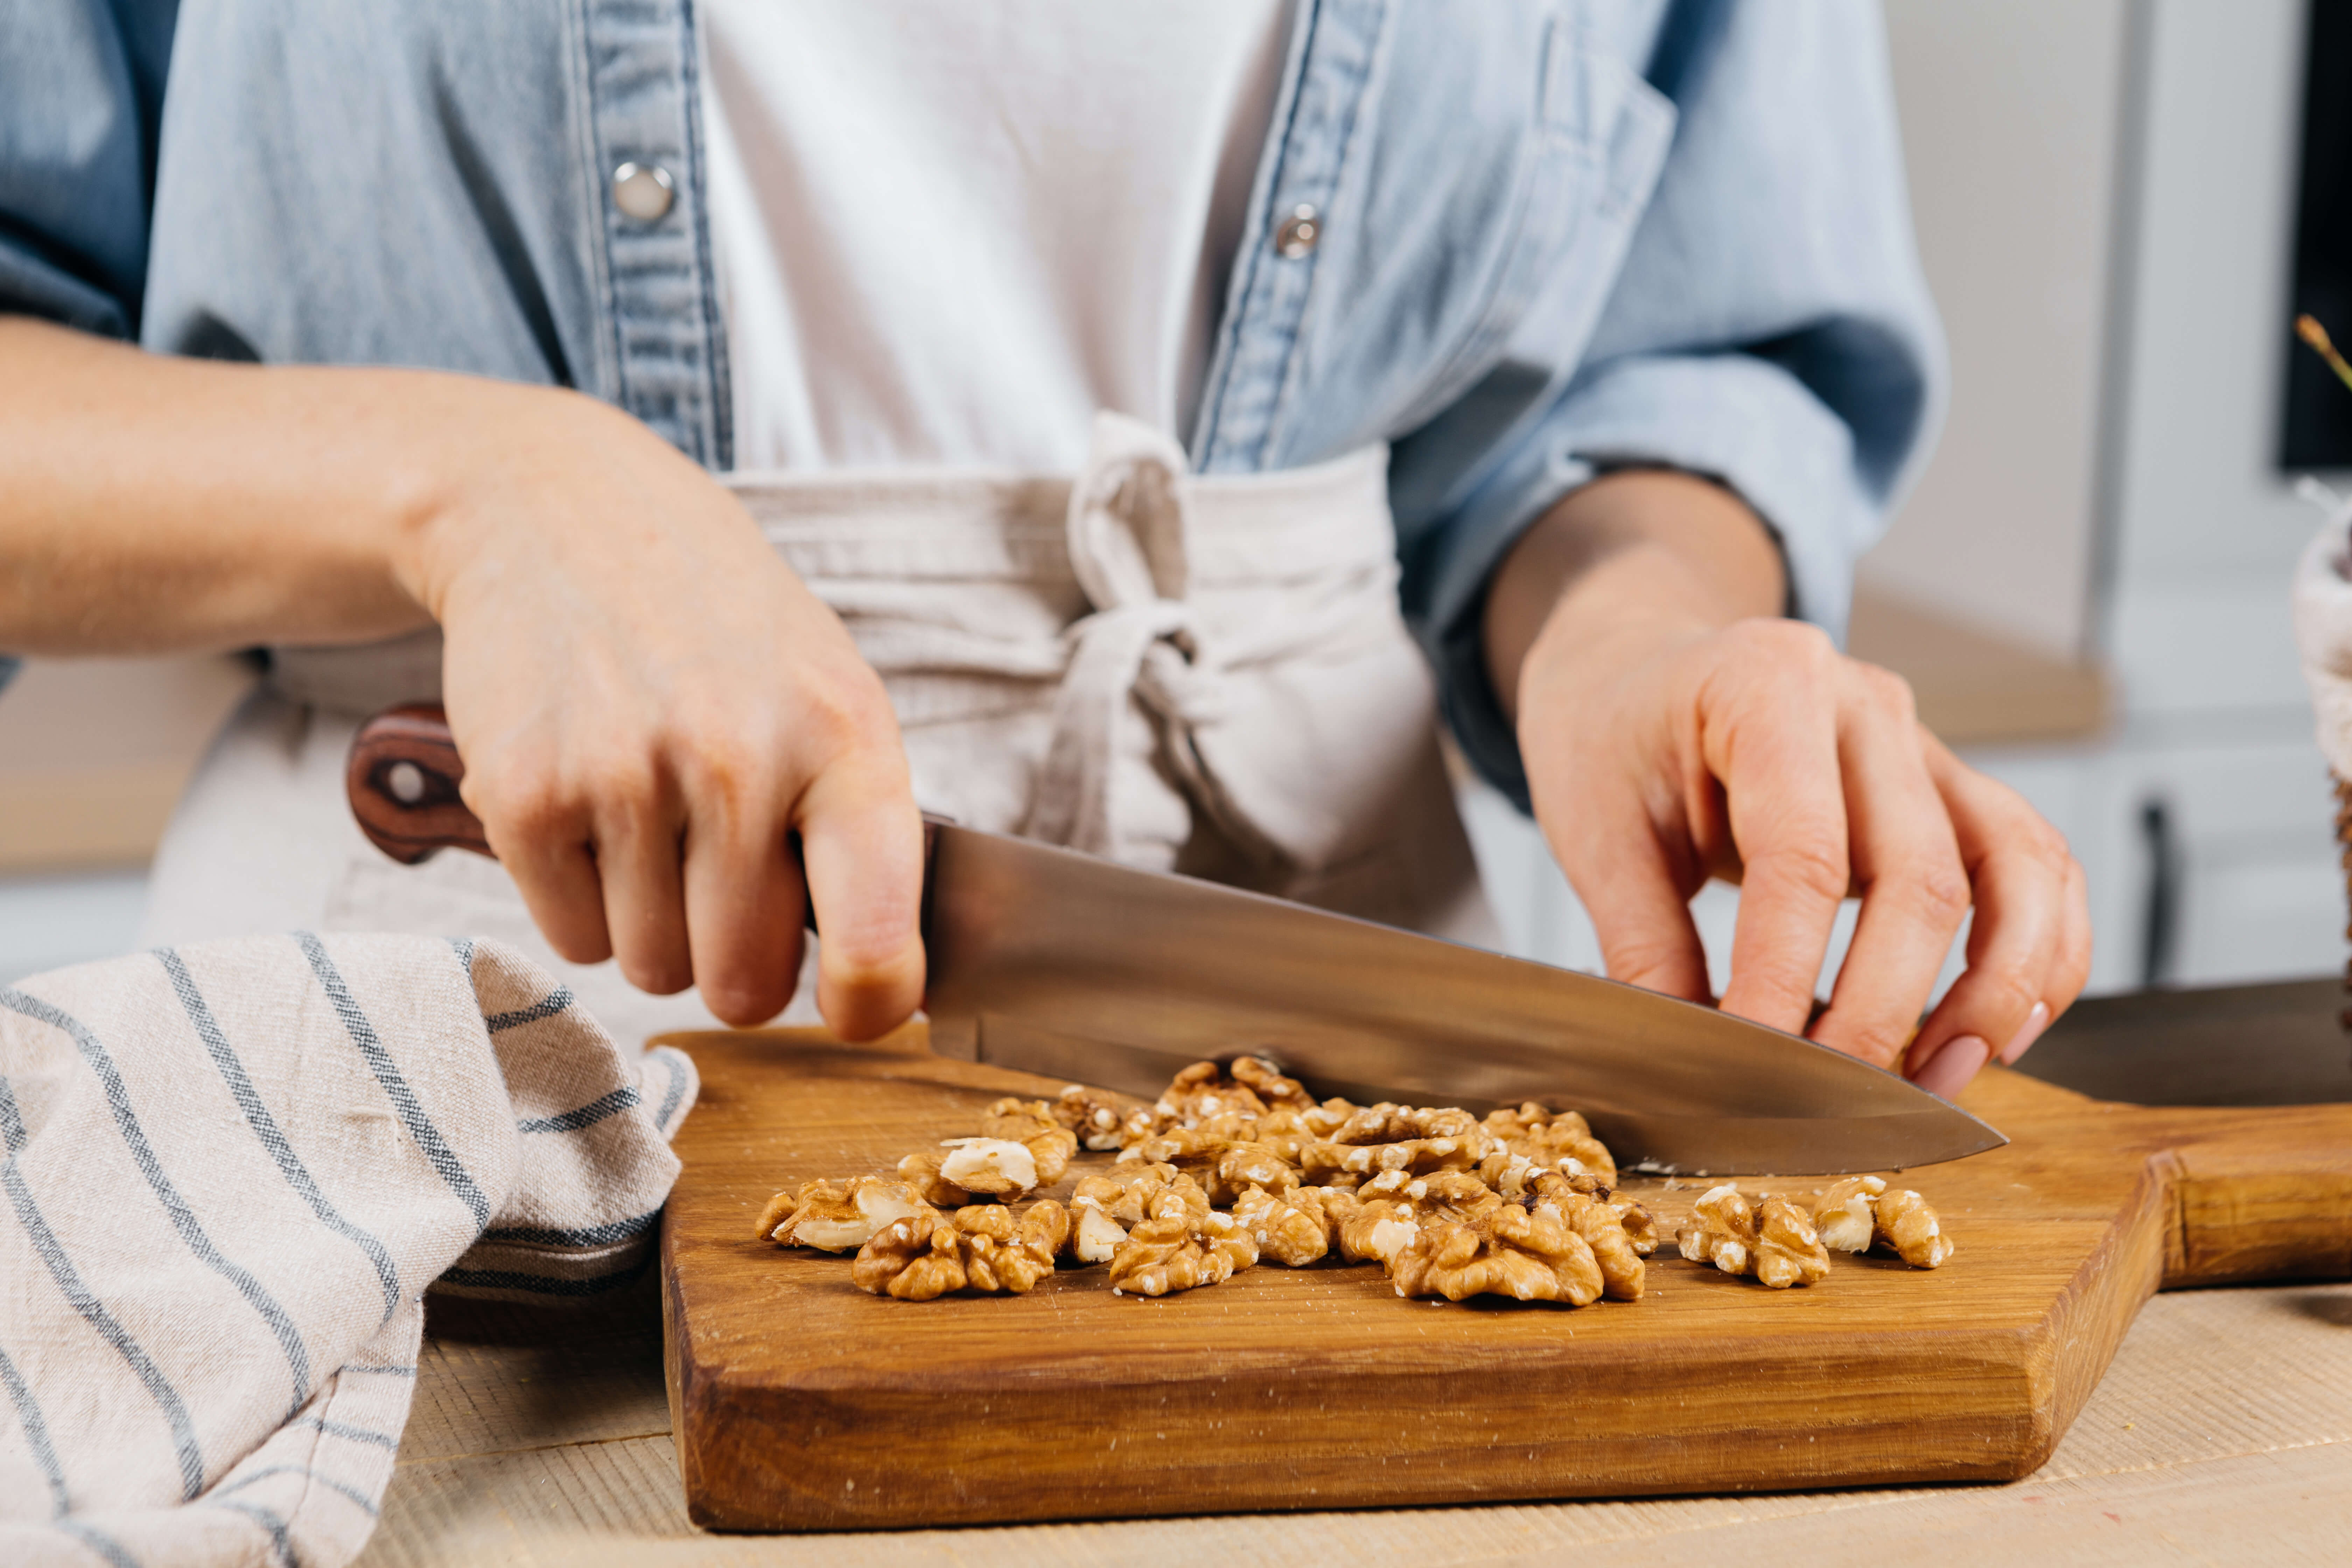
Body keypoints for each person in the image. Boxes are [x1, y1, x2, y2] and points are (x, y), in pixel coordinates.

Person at [0, 0, 2088, 1096]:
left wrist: (1635, 634)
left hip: (1376, 1047)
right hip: (445, 1074)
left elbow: (1649, 366)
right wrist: (485, 492)